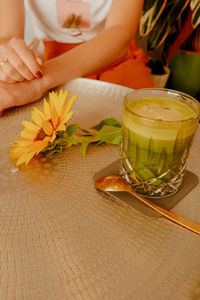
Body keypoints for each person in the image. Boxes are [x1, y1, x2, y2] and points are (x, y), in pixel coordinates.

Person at [0, 0, 153, 113]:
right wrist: (10, 61)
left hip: (117, 60)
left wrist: (40, 82)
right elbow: (8, 36)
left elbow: (120, 34)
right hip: (51, 58)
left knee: (144, 116)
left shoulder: (44, 76)